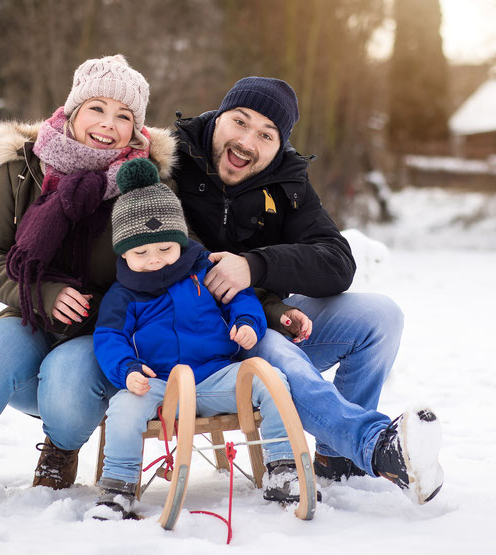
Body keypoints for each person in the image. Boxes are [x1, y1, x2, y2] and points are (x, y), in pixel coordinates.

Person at [0, 55, 177, 497]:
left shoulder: (145, 184)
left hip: (100, 331)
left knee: (69, 379)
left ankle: (60, 451)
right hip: (30, 314)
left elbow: (168, 265)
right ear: (72, 110)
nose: (108, 124)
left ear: (137, 128)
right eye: (97, 108)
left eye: (124, 115)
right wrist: (43, 292)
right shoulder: (23, 165)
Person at [169, 77, 444, 503]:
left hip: (260, 318)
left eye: (265, 134)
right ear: (217, 116)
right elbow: (175, 256)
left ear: (279, 146)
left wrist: (256, 265)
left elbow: (337, 262)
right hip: (192, 341)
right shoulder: (170, 160)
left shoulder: (286, 182)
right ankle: (376, 447)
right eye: (239, 122)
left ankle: (338, 459)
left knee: (381, 316)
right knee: (280, 356)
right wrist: (271, 310)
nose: (246, 141)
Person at [89, 158, 303, 519]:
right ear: (124, 252)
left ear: (180, 241)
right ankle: (118, 488)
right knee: (123, 409)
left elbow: (241, 297)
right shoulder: (123, 294)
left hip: (216, 376)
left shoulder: (203, 271)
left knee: (273, 381)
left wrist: (248, 323)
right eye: (141, 253)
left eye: (165, 249)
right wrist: (126, 370)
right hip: (159, 385)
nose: (154, 260)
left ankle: (282, 467)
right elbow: (109, 337)